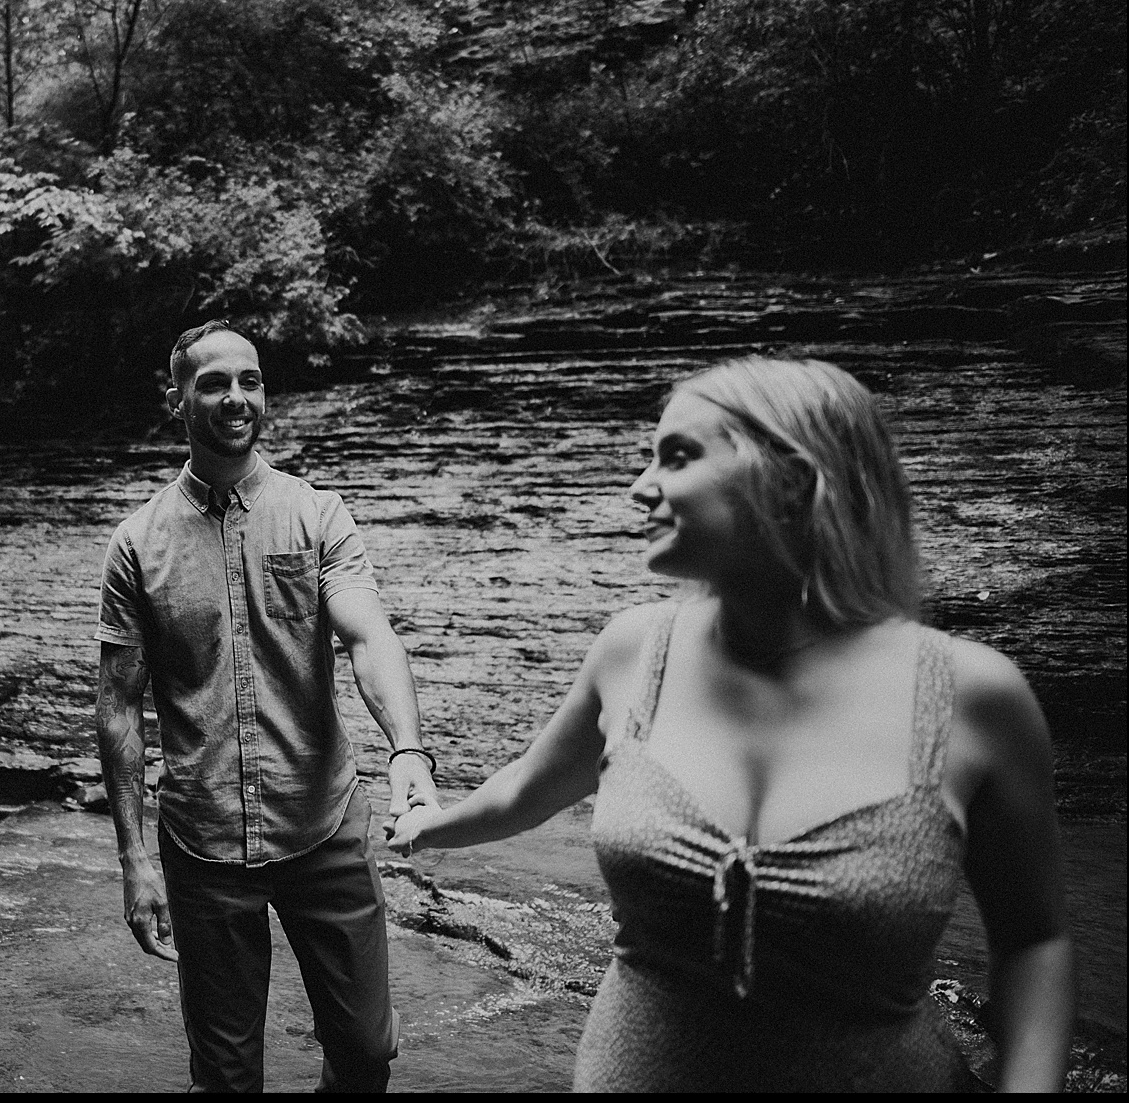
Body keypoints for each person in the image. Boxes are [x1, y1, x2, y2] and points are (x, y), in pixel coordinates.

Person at [388, 355, 1073, 1092]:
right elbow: (531, 786)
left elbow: (1034, 941)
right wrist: (435, 825)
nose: (639, 487)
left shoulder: (972, 697)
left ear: (792, 480)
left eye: (677, 457)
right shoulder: (632, 652)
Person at [96, 320, 440, 1093]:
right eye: (214, 383)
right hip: (202, 841)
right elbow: (119, 709)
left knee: (364, 1052)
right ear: (177, 400)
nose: (236, 397)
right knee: (223, 1075)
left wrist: (408, 749)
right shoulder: (137, 543)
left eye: (249, 380)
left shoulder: (318, 515)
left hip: (321, 823)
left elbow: (368, 634)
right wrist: (132, 858)